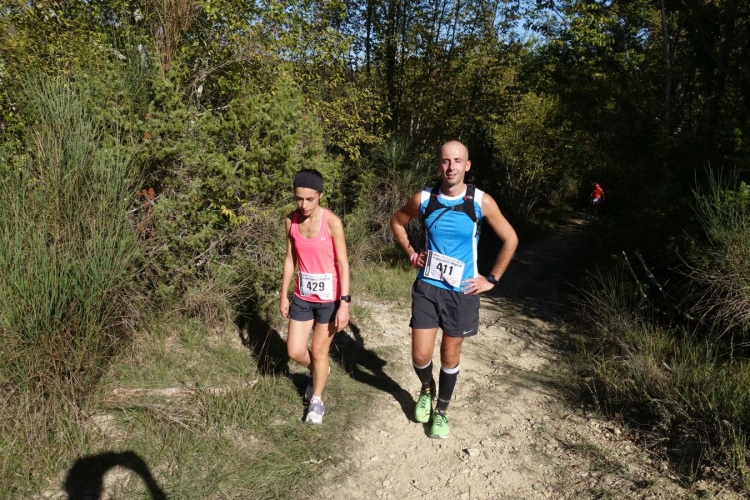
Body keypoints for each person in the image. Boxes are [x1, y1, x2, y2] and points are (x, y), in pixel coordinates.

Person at [390, 141, 518, 439]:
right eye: (446, 161)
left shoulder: (480, 201)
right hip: (428, 286)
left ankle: (442, 411)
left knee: (449, 356)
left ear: (467, 165)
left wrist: (492, 279)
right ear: (439, 164)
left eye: (457, 161)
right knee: (420, 355)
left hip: (462, 292)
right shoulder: (424, 198)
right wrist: (412, 253)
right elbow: (397, 222)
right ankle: (426, 388)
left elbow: (510, 239)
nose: (451, 167)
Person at [280, 169, 351, 425]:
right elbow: (290, 259)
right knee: (295, 351)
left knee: (320, 351)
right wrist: (283, 295)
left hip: (329, 300)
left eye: (310, 199)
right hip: (302, 296)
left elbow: (343, 264)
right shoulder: (291, 221)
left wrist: (344, 303)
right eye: (299, 198)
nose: (304, 205)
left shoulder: (332, 222)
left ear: (320, 195)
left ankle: (316, 401)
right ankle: (320, 370)